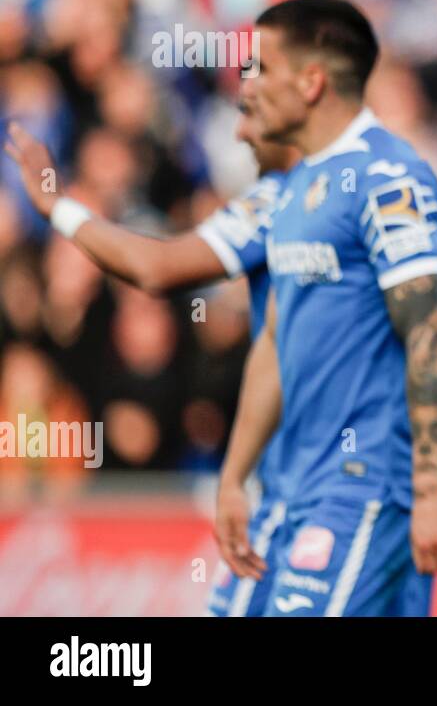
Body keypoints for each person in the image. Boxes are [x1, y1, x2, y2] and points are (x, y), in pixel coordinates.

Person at [5, 105, 297, 617]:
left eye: (256, 98)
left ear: (309, 87)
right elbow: (157, 267)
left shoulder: (343, 194)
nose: (239, 125)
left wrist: (58, 210)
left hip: (339, 488)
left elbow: (157, 268)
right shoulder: (274, 202)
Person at [241, 0, 437, 616]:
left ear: (311, 81)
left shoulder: (390, 177)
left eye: (262, 68)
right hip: (301, 488)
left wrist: (429, 489)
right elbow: (274, 338)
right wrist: (236, 479)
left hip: (366, 486)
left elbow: (427, 328)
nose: (251, 87)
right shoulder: (294, 189)